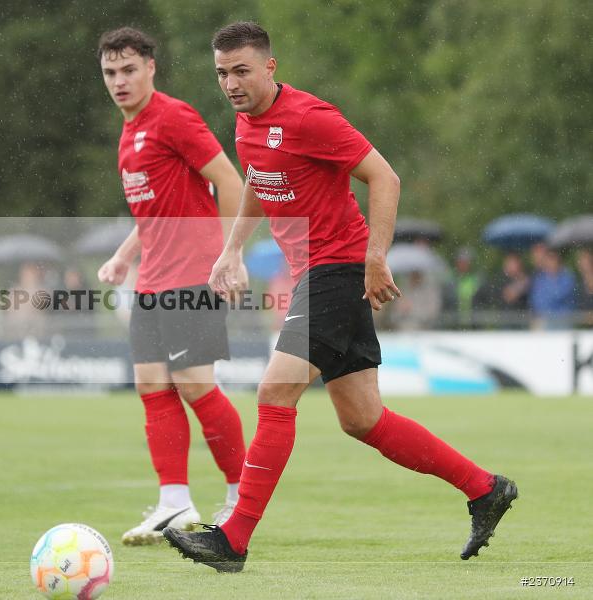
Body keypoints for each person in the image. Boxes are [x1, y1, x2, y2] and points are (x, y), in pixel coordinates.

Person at [163, 22, 517, 571]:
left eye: (241, 71)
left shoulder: (309, 117)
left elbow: (385, 177)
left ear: (270, 67)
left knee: (274, 394)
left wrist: (376, 257)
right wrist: (231, 249)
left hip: (337, 268)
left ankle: (232, 540)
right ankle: (484, 488)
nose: (231, 83)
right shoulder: (245, 124)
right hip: (320, 271)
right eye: (222, 73)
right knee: (363, 419)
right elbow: (260, 181)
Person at [95, 27, 248, 544]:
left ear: (150, 69)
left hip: (192, 276)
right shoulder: (128, 132)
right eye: (111, 73)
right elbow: (154, 214)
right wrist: (122, 257)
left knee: (196, 385)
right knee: (152, 388)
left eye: (129, 70)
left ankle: (239, 498)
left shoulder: (173, 116)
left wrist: (232, 255)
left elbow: (230, 182)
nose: (120, 81)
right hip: (151, 282)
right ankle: (174, 505)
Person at [529, 246, 575, 330]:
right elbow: (536, 300)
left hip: (563, 321)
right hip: (544, 320)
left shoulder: (567, 276)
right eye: (548, 260)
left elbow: (559, 295)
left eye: (553, 259)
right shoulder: (540, 278)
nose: (551, 262)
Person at [576, 248, 593, 326]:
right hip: (584, 325)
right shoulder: (578, 285)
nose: (585, 265)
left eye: (587, 262)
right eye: (582, 263)